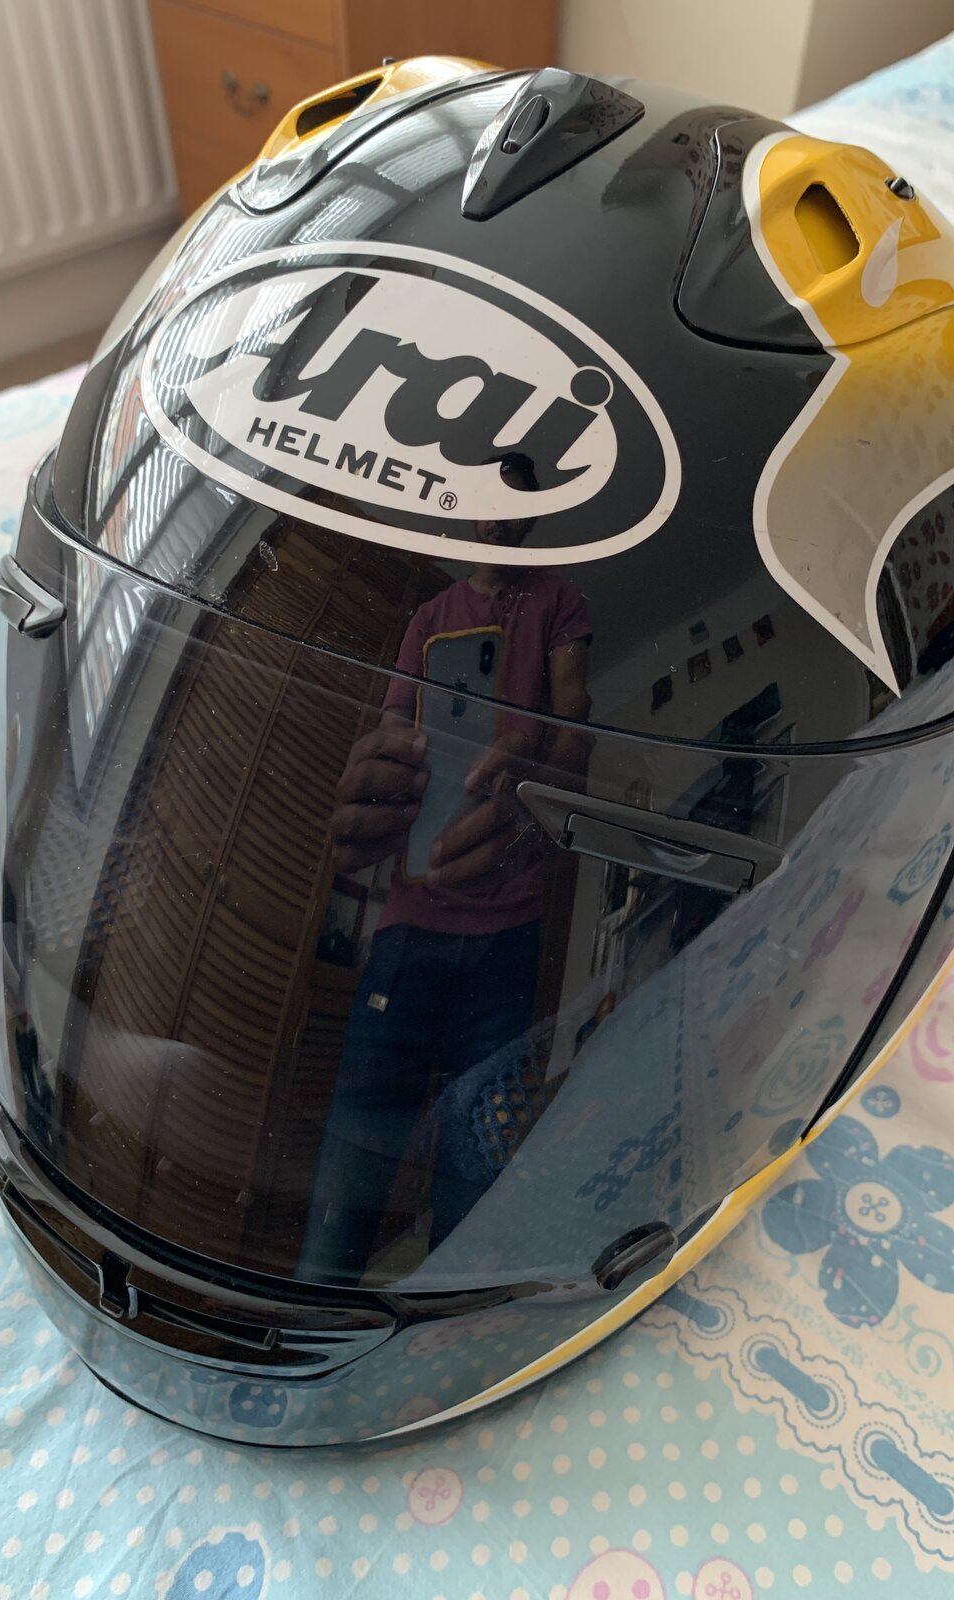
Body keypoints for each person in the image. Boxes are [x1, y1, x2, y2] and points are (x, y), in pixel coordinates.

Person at [299, 458, 593, 1281]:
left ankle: (452, 1312)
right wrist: (382, 774)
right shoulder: (429, 617)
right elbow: (396, 729)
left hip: (510, 923)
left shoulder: (561, 599)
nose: (497, 518)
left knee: (479, 1173)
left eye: (515, 504)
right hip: (411, 916)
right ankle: (319, 1305)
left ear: (533, 516)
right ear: (469, 510)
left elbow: (576, 723)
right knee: (353, 1158)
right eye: (486, 502)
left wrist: (544, 778)